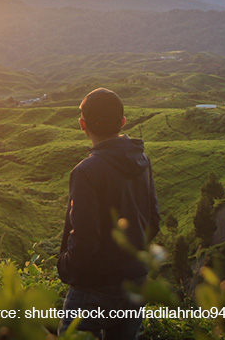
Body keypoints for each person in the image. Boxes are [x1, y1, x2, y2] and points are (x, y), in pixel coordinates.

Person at [57, 88, 160, 340]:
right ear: (123, 122)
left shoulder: (87, 171)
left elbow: (85, 236)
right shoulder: (142, 161)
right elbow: (154, 219)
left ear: (83, 125)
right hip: (135, 279)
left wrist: (66, 267)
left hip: (95, 283)